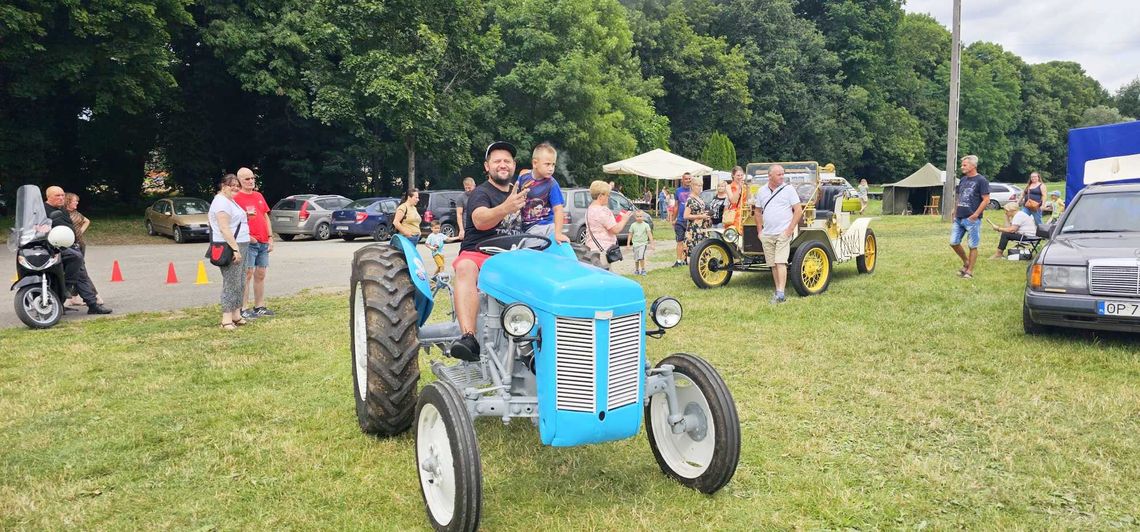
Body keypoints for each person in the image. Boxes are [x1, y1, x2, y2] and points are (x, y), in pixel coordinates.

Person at [449, 141, 527, 361]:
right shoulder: (481, 193)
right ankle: (468, 338)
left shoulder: (521, 193)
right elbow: (480, 220)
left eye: (507, 161)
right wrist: (506, 208)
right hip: (479, 252)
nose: (503, 165)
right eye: (497, 161)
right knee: (464, 267)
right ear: (487, 166)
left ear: (514, 165)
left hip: (514, 255)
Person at [43, 186, 111, 314]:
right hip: (54, 248)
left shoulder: (62, 208)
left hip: (71, 246)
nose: (61, 198)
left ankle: (92, 305)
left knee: (82, 276)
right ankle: (63, 295)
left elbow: (79, 221)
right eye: (57, 195)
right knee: (58, 276)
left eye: (63, 195)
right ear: (48, 197)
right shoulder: (42, 210)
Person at [752, 164, 803, 304]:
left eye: (782, 174)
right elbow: (757, 211)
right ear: (770, 176)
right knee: (773, 264)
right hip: (767, 233)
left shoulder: (789, 189)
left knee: (780, 262)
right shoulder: (762, 191)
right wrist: (759, 231)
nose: (782, 176)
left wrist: (789, 230)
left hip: (783, 232)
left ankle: (780, 293)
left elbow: (798, 210)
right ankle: (778, 290)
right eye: (779, 174)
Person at [208, 174, 251, 331]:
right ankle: (226, 318)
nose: (235, 188)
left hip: (241, 242)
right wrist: (235, 249)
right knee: (231, 281)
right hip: (230, 245)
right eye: (231, 185)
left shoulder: (230, 201)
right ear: (223, 186)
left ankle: (236, 314)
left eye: (237, 185)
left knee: (240, 280)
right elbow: (224, 228)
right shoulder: (221, 203)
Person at [233, 167, 275, 320]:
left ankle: (259, 306)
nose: (250, 181)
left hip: (263, 241)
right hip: (249, 242)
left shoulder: (258, 195)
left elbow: (265, 216)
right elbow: (234, 221)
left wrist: (270, 237)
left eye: (252, 178)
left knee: (261, 274)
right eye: (246, 179)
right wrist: (248, 237)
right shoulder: (236, 198)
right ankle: (243, 308)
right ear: (239, 181)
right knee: (247, 274)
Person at [518, 142, 570, 242]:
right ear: (535, 163)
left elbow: (558, 210)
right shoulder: (523, 178)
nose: (551, 168)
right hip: (524, 226)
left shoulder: (552, 184)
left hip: (544, 226)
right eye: (547, 164)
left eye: (553, 164)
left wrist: (558, 234)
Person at [949, 155, 991, 280]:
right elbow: (959, 197)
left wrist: (976, 214)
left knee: (973, 245)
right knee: (953, 242)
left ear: (973, 165)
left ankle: (969, 271)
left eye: (964, 165)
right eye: (962, 165)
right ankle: (966, 262)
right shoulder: (963, 180)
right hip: (959, 217)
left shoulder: (981, 180)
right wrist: (954, 210)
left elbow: (986, 200)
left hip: (972, 219)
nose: (962, 167)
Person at [584, 180, 622, 269]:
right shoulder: (603, 210)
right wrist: (624, 219)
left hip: (591, 248)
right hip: (603, 250)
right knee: (607, 278)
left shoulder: (589, 209)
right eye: (607, 195)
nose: (608, 198)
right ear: (601, 196)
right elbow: (615, 230)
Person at [683, 179, 712, 261]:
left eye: (700, 186)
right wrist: (701, 216)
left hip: (703, 228)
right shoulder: (690, 200)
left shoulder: (700, 198)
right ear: (692, 186)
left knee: (704, 249)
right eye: (697, 185)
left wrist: (706, 216)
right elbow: (686, 215)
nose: (699, 188)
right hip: (694, 229)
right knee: (695, 251)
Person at [672, 173, 693, 267]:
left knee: (689, 241)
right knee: (679, 241)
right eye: (686, 179)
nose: (688, 180)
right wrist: (673, 219)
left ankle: (687, 260)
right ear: (682, 180)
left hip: (690, 219)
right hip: (680, 220)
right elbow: (676, 205)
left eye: (689, 179)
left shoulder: (693, 190)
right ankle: (679, 261)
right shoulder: (678, 191)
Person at [627, 211, 653, 276]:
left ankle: (643, 270)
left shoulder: (646, 225)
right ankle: (637, 270)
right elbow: (630, 234)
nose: (639, 218)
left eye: (640, 216)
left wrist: (652, 244)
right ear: (635, 217)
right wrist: (628, 244)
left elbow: (649, 235)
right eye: (637, 216)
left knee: (641, 257)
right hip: (635, 244)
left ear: (643, 217)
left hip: (643, 244)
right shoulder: (633, 225)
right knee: (636, 259)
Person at [723, 166, 747, 232]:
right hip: (733, 215)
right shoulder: (729, 187)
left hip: (744, 214)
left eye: (741, 175)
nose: (740, 177)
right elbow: (733, 201)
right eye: (738, 175)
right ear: (733, 176)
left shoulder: (745, 187)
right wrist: (739, 187)